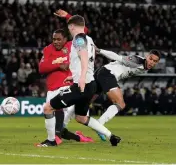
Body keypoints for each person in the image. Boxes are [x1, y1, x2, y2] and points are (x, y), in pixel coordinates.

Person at [36, 15, 121, 147]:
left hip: (82, 86)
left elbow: (84, 57)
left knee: (48, 108)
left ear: (72, 26)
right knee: (81, 117)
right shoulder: (90, 39)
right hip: (90, 84)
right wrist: (76, 76)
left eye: (69, 28)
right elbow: (88, 60)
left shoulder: (78, 39)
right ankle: (111, 136)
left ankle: (51, 140)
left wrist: (80, 78)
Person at [64, 49, 161, 141]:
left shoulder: (144, 67)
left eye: (155, 61)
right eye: (150, 59)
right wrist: (100, 51)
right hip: (108, 74)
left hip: (102, 73)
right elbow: (117, 57)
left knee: (85, 100)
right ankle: (99, 125)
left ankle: (62, 124)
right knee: (120, 104)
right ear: (147, 56)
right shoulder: (138, 60)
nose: (152, 62)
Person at [39, 29, 93, 145]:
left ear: (65, 39)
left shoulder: (72, 45)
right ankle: (77, 137)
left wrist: (68, 17)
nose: (56, 42)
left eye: (59, 39)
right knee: (55, 122)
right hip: (52, 88)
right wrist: (58, 65)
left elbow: (83, 29)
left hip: (67, 85)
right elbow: (42, 68)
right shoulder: (48, 49)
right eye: (54, 39)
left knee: (58, 109)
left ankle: (55, 139)